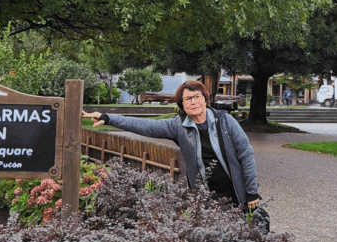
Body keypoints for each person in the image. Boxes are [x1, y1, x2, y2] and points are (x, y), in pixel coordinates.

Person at [83, 80, 260, 211]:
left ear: (205, 99)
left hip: (238, 193)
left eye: (196, 96)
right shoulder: (179, 126)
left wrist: (251, 191)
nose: (193, 102)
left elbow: (246, 154)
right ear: (182, 105)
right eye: (187, 99)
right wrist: (108, 117)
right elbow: (145, 126)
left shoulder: (225, 121)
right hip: (207, 196)